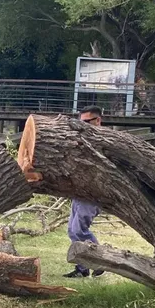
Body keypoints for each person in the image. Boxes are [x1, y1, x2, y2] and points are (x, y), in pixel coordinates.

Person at [65, 107, 105, 278]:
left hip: (92, 193)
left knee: (79, 230)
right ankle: (82, 268)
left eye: (87, 122)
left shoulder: (104, 140)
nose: (83, 125)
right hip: (79, 192)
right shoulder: (82, 139)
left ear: (98, 120)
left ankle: (100, 261)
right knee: (72, 230)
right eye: (81, 122)